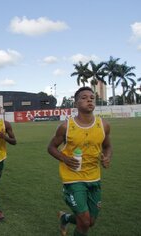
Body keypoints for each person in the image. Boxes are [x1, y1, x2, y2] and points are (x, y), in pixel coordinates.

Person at [47, 87, 112, 236]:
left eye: (92, 97)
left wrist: (107, 157)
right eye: (84, 97)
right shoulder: (66, 127)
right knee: (84, 222)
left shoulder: (104, 125)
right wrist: (65, 158)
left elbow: (108, 146)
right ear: (76, 104)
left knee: (90, 222)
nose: (89, 99)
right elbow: (51, 147)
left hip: (94, 177)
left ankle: (65, 218)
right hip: (73, 178)